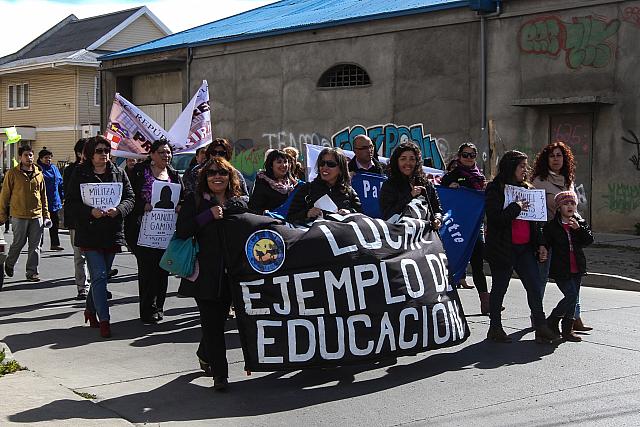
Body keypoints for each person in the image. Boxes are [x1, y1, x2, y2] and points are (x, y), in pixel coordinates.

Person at [175, 156, 249, 391]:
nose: (217, 176)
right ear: (204, 178)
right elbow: (182, 231)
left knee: (215, 324)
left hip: (234, 274)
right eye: (212, 173)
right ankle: (221, 376)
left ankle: (203, 353)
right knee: (213, 324)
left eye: (223, 173)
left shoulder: (239, 202)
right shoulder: (195, 201)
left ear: (230, 177)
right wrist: (207, 216)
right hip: (205, 274)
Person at [484, 150, 558, 344]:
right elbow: (495, 219)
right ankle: (495, 328)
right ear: (511, 167)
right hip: (503, 248)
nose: (526, 170)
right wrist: (515, 207)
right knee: (500, 288)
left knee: (534, 285)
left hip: (525, 248)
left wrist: (541, 244)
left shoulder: (528, 188)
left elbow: (535, 223)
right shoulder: (495, 189)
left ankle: (541, 326)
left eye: (526, 166)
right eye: (522, 166)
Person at [66, 136, 134, 338]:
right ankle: (105, 320)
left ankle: (89, 310)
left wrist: (119, 210)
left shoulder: (118, 173)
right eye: (99, 150)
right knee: (100, 276)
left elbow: (130, 198)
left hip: (111, 233)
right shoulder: (80, 173)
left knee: (100, 277)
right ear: (90, 154)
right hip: (89, 233)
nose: (104, 154)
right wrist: (90, 212)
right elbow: (70, 204)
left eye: (106, 150)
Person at [531, 141, 590, 331]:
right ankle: (538, 318)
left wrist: (579, 226)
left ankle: (575, 317)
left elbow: (572, 206)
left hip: (568, 235)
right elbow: (533, 210)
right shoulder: (539, 181)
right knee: (541, 278)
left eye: (559, 155)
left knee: (574, 279)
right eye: (552, 155)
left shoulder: (568, 180)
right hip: (547, 235)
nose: (556, 159)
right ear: (545, 159)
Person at [130, 140, 183, 323]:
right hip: (141, 231)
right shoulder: (139, 172)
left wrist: (179, 207)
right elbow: (128, 197)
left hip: (165, 231)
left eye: (168, 152)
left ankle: (159, 307)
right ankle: (147, 309)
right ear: (152, 154)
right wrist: (142, 206)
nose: (166, 156)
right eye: (162, 152)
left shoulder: (174, 175)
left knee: (162, 269)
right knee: (147, 269)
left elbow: (183, 197)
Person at [441, 143, 489, 311]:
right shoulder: (452, 175)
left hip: (476, 228)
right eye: (465, 155)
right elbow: (442, 196)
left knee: (477, 265)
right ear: (459, 156)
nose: (468, 158)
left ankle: (485, 302)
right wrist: (451, 188)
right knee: (452, 262)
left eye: (472, 155)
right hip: (457, 228)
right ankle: (448, 302)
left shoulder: (480, 177)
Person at [543, 191, 593, 342]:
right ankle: (552, 320)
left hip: (577, 267)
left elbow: (589, 240)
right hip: (561, 269)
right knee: (571, 296)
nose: (569, 206)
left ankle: (567, 330)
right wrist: (542, 249)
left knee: (573, 298)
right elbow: (545, 242)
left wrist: (578, 229)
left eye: (572, 203)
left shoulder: (580, 222)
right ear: (559, 208)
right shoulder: (552, 226)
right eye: (565, 204)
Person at [0, 145, 50, 282]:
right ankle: (9, 264)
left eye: (31, 155)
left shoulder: (39, 173)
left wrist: (46, 215)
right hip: (19, 215)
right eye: (26, 155)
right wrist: (2, 215)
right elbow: (5, 195)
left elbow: (43, 196)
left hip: (36, 215)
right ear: (20, 157)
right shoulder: (12, 173)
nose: (29, 158)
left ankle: (32, 272)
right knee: (18, 243)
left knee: (35, 246)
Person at [287, 148, 361, 224]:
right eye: (322, 163)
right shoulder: (307, 189)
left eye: (331, 164)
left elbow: (361, 218)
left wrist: (350, 213)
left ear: (341, 169)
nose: (325, 167)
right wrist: (307, 213)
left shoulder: (349, 192)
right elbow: (290, 217)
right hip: (316, 234)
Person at [379, 141, 443, 229]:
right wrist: (410, 196)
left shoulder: (426, 183)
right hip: (400, 234)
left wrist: (438, 219)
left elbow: (437, 209)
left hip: (424, 236)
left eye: (412, 159)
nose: (408, 163)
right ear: (396, 161)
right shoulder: (389, 185)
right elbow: (388, 214)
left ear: (417, 162)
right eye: (403, 159)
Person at [63, 139, 90, 299]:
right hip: (77, 219)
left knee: (96, 254)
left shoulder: (100, 169)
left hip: (97, 219)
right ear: (80, 153)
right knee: (79, 254)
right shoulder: (71, 170)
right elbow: (70, 195)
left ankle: (97, 286)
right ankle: (82, 287)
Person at [249, 149, 298, 214]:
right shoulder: (262, 181)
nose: (283, 165)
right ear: (271, 165)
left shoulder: (293, 181)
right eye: (279, 162)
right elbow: (255, 207)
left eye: (285, 162)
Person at [37, 148, 64, 251]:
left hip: (54, 201)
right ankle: (39, 244)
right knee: (40, 224)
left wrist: (62, 196)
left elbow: (60, 183)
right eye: (46, 158)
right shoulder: (38, 169)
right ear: (40, 159)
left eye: (50, 158)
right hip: (42, 201)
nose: (48, 159)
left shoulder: (54, 168)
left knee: (54, 223)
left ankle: (55, 244)